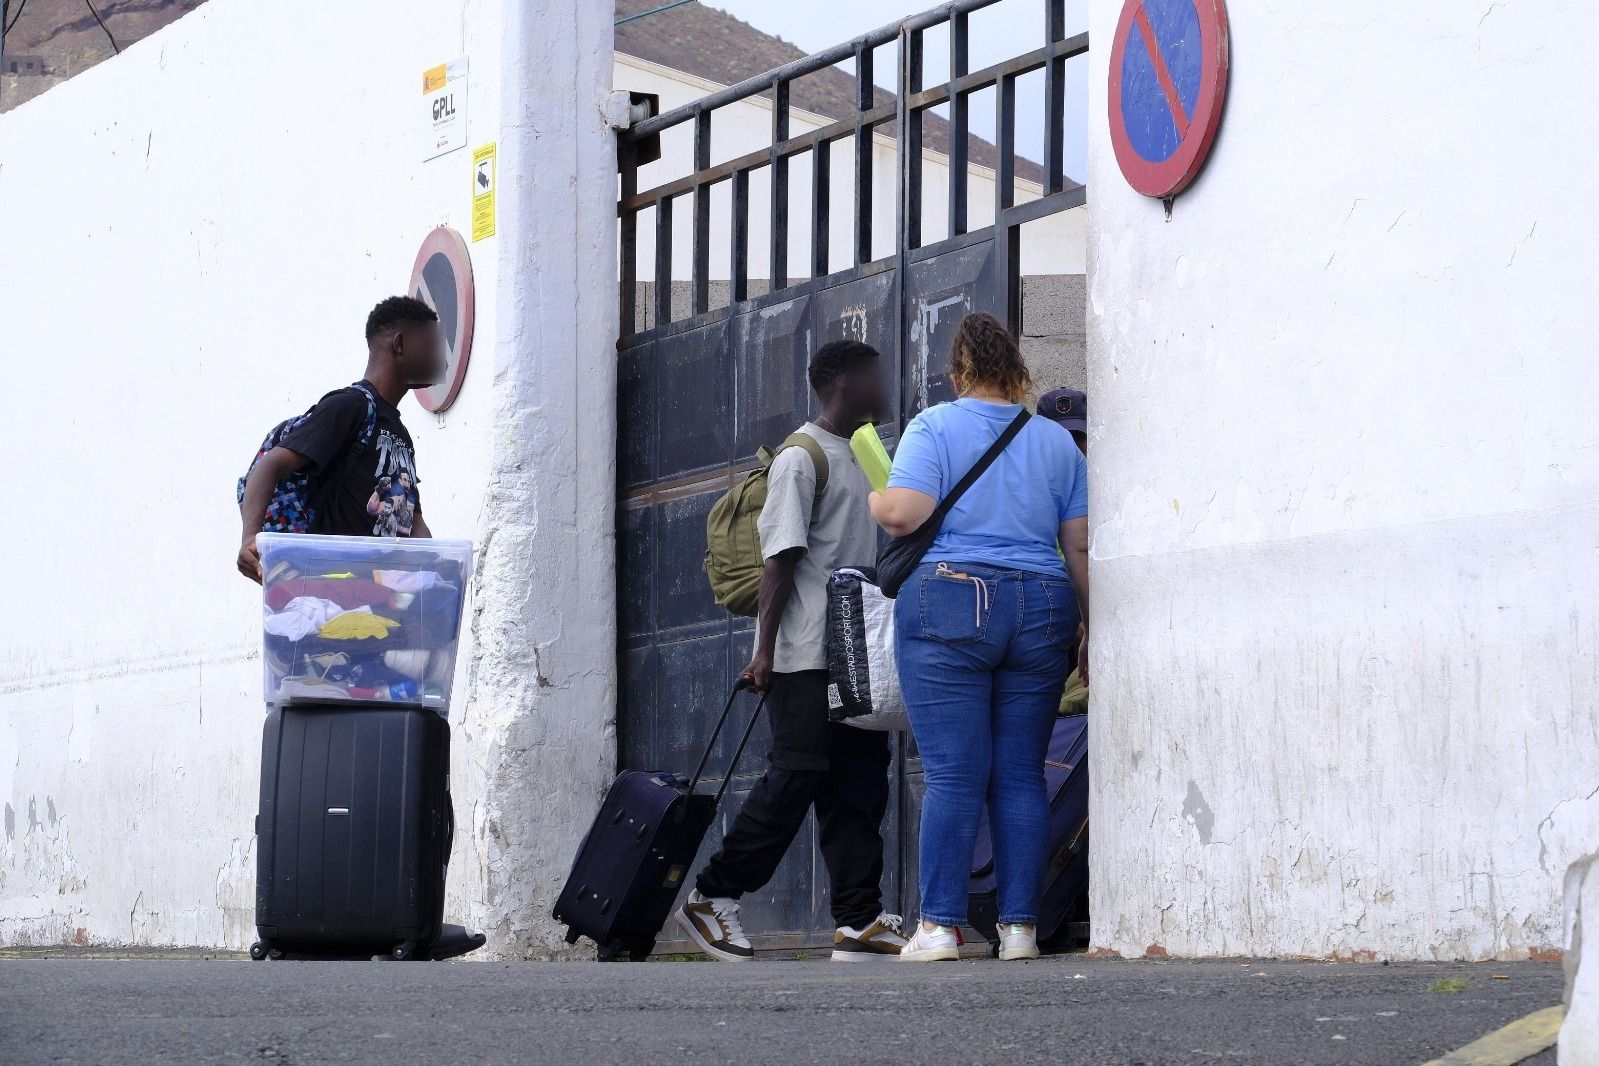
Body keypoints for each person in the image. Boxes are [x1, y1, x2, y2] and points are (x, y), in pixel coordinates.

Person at [677, 340, 909, 963]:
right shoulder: (800, 459)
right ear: (843, 382)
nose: (886, 386)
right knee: (796, 777)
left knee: (860, 786)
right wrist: (763, 653)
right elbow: (779, 560)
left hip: (860, 657)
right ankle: (712, 895)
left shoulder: (867, 452)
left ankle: (857, 920)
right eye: (875, 375)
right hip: (806, 655)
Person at [869, 312, 1090, 963]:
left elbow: (905, 513)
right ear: (1015, 368)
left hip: (952, 600)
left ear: (957, 369)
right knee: (1020, 772)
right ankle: (1018, 929)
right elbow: (1077, 542)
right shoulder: (1053, 440)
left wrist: (878, 498)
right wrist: (1091, 627)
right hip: (1045, 603)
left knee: (955, 773)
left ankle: (939, 926)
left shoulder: (933, 426)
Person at [237, 296, 445, 581]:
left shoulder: (400, 435)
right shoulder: (350, 407)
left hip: (380, 595)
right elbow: (270, 465)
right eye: (431, 346)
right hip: (330, 589)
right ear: (400, 344)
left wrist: (437, 572)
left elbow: (411, 521)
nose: (442, 360)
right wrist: (251, 539)